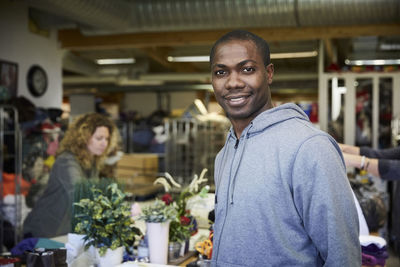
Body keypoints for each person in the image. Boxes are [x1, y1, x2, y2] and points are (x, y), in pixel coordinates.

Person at [209, 30, 361, 266]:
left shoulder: (309, 147)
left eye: (247, 69)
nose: (233, 82)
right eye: (221, 72)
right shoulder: (224, 154)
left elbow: (343, 257)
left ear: (269, 74)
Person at [23, 113, 119, 238]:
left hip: (64, 232)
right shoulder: (67, 161)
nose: (104, 144)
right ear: (83, 137)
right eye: (99, 138)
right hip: (43, 232)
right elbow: (80, 195)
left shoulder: (92, 162)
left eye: (107, 139)